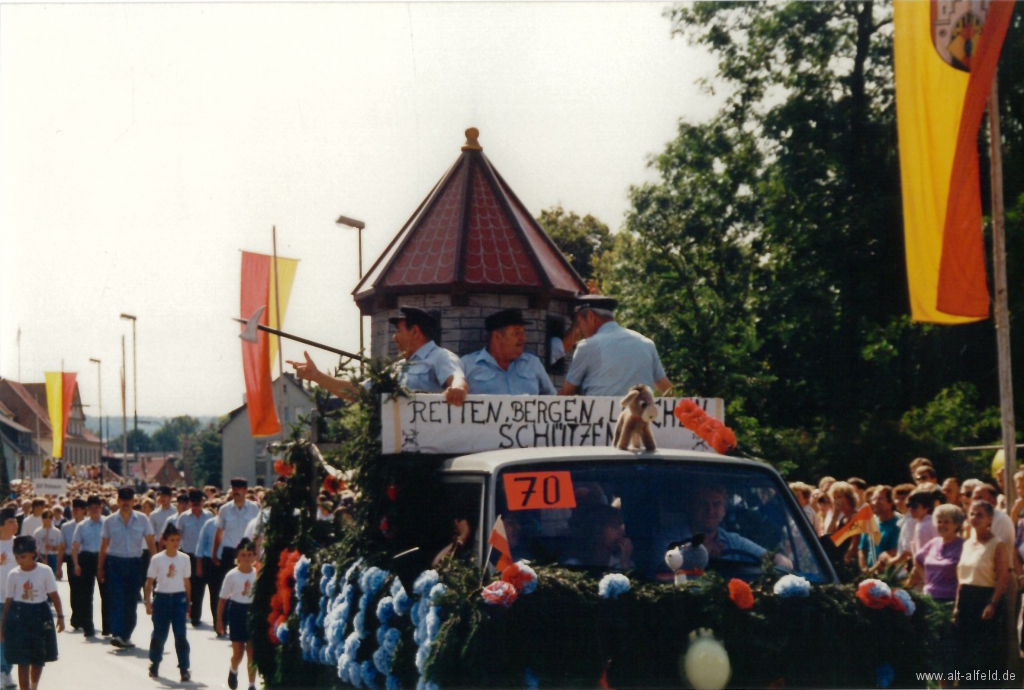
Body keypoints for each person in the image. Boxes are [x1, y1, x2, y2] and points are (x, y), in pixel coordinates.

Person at [288, 306, 469, 406]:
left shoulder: (440, 357)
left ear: (415, 332)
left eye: (398, 330)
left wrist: (457, 390)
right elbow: (357, 393)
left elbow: (458, 380)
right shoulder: (396, 368)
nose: (394, 337)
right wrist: (317, 376)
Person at [558, 295, 673, 397]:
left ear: (590, 317)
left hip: (601, 419)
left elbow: (566, 394)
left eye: (579, 322)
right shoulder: (647, 344)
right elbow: (668, 392)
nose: (580, 330)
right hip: (641, 419)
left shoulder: (587, 347)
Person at [908, 504, 965, 688]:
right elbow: (917, 559)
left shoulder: (963, 545)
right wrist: (928, 580)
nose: (941, 525)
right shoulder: (933, 544)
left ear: (957, 524)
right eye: (939, 521)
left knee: (947, 650)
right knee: (932, 648)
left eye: (947, 521)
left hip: (950, 603)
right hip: (929, 602)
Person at [955, 499, 1009, 687]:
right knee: (966, 655)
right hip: (966, 601)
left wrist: (992, 603)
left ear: (990, 519)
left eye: (980, 515)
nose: (974, 518)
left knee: (985, 656)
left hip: (985, 602)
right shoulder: (967, 544)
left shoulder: (997, 544)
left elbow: (1003, 578)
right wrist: (956, 607)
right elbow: (961, 578)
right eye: (972, 514)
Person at [0, 536, 64, 690]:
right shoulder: (14, 575)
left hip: (40, 614)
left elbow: (54, 596)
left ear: (33, 554)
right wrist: (3, 626)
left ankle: (33, 686)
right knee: (22, 660)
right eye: (16, 557)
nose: (19, 560)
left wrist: (61, 617)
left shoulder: (45, 571)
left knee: (38, 658)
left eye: (23, 557)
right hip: (20, 615)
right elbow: (8, 602)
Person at [98, 486, 157, 649]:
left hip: (135, 562)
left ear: (133, 501)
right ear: (118, 501)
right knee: (116, 599)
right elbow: (104, 546)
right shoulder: (109, 521)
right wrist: (100, 568)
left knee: (131, 600)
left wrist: (157, 562)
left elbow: (151, 541)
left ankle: (126, 634)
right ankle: (117, 633)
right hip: (115, 562)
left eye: (128, 499)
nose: (125, 503)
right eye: (122, 499)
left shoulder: (143, 519)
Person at [686, 484, 793, 569]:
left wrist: (783, 565)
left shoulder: (733, 541)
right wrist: (701, 553)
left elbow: (770, 557)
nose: (710, 510)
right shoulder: (674, 537)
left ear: (724, 511)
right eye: (703, 504)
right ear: (693, 508)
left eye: (716, 504)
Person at [461, 309, 556, 395]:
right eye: (517, 333)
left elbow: (554, 402)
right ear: (497, 337)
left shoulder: (532, 363)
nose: (523, 338)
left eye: (523, 333)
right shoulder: (467, 365)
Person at [144, 523, 191, 682]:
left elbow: (186, 582)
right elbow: (150, 582)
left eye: (178, 540)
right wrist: (148, 601)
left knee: (181, 635)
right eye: (172, 540)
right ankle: (155, 663)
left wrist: (189, 603)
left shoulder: (184, 558)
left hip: (179, 598)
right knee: (159, 633)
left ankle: (184, 668)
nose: (176, 543)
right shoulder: (157, 559)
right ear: (164, 541)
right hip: (162, 598)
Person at [217, 538, 257, 690]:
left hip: (252, 612)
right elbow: (222, 600)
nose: (246, 558)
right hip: (237, 612)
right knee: (238, 653)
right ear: (238, 557)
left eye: (249, 555)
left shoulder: (257, 573)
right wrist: (219, 620)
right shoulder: (232, 575)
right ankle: (233, 670)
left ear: (254, 557)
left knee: (252, 652)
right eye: (243, 555)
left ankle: (252, 684)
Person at [171, 489, 213, 627]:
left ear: (203, 502)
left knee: (200, 587)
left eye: (199, 503)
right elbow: (177, 536)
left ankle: (197, 615)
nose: (196, 506)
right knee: (190, 587)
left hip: (205, 556)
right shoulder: (183, 517)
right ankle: (191, 614)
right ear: (190, 503)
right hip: (188, 555)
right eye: (193, 503)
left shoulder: (209, 516)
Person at [213, 479, 260, 587]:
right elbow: (219, 533)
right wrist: (214, 553)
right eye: (234, 489)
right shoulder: (224, 509)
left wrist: (258, 554)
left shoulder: (254, 509)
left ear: (245, 490)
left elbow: (258, 532)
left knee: (248, 584)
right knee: (227, 585)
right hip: (229, 553)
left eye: (239, 489)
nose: (236, 491)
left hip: (248, 552)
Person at [71, 495, 106, 638]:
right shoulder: (82, 525)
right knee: (86, 595)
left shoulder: (107, 523)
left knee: (106, 594)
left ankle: (107, 627)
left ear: (101, 508)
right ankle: (88, 627)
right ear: (87, 510)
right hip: (86, 558)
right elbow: (75, 547)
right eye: (91, 508)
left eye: (97, 507)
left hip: (103, 558)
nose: (94, 510)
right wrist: (76, 564)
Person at [197, 501, 226, 630]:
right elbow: (200, 546)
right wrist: (199, 565)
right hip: (211, 562)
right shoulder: (209, 524)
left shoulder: (231, 525)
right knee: (215, 593)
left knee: (228, 594)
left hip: (227, 561)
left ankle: (226, 621)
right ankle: (217, 623)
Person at [57, 499, 85, 629]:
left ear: (84, 510)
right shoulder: (66, 526)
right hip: (70, 558)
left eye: (78, 509)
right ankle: (76, 616)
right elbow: (62, 547)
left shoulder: (88, 525)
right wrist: (58, 567)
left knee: (85, 589)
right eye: (74, 509)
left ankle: (85, 617)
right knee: (74, 588)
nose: (75, 512)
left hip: (85, 558)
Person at [859, 486, 900, 572]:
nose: (875, 502)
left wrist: (873, 570)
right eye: (873, 499)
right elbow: (862, 549)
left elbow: (893, 552)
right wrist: (864, 569)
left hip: (888, 575)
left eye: (880, 499)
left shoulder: (898, 525)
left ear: (891, 503)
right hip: (869, 574)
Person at [0, 509, 19, 690]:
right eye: (11, 522)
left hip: (14, 599)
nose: (16, 524)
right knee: (2, 637)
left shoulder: (20, 545)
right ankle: (3, 672)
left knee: (11, 637)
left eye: (15, 521)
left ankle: (6, 670)